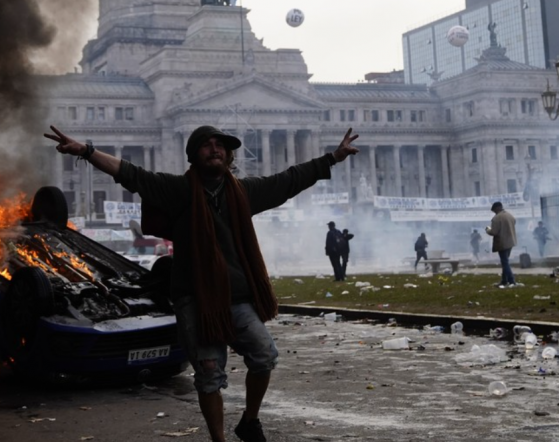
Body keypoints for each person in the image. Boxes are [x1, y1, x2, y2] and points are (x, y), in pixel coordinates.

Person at [45, 124, 359, 442]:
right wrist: (86, 150)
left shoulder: (244, 192)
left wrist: (333, 157)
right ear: (194, 156)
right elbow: (131, 173)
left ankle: (249, 421)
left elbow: (290, 180)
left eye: (220, 145)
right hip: (195, 300)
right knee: (210, 377)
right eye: (207, 145)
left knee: (264, 356)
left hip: (238, 298)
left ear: (229, 154)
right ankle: (218, 439)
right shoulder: (178, 191)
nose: (215, 149)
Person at [485, 201, 517, 287]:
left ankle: (511, 281)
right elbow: (514, 222)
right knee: (505, 262)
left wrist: (488, 230)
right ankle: (504, 280)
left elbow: (494, 232)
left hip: (502, 243)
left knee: (505, 263)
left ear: (497, 208)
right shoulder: (510, 215)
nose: (494, 212)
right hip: (510, 242)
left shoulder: (496, 218)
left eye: (494, 210)